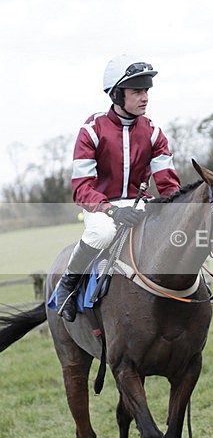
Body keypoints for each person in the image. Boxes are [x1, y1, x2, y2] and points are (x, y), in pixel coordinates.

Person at [55, 54, 181, 322]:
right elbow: (81, 188)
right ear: (116, 94)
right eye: (137, 91)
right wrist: (111, 210)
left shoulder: (154, 132)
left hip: (140, 204)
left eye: (146, 90)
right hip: (101, 206)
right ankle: (68, 283)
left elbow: (168, 183)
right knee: (101, 233)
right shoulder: (91, 130)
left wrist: (174, 210)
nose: (145, 97)